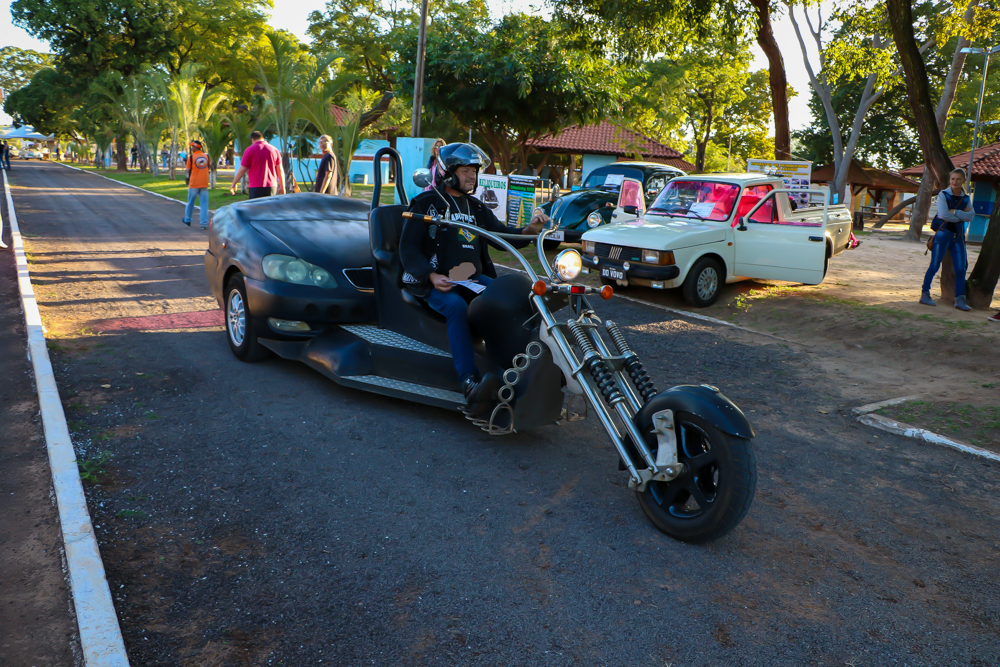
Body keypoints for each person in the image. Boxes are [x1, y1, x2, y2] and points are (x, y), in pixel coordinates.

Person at [399, 143, 549, 411]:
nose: (472, 176)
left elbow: (503, 239)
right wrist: (431, 276)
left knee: (513, 300)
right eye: (466, 170)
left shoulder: (476, 208)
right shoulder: (426, 203)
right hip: (430, 281)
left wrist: (530, 229)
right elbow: (408, 249)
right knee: (456, 306)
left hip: (471, 280)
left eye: (474, 171)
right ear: (447, 172)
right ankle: (468, 382)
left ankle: (521, 369)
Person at [921, 168, 975, 311]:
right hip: (943, 234)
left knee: (960, 269)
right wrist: (961, 216)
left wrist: (955, 212)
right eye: (952, 179)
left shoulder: (966, 198)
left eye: (958, 179)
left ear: (963, 181)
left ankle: (960, 299)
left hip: (958, 237)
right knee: (934, 265)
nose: (954, 182)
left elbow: (971, 216)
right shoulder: (943, 195)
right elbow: (944, 215)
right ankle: (925, 294)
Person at [229, 131, 284, 199]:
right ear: (262, 138)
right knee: (269, 209)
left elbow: (242, 170)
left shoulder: (249, 150)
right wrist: (282, 186)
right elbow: (280, 170)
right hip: (271, 186)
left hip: (255, 187)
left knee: (255, 209)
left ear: (252, 139)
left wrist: (234, 183)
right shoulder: (275, 150)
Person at [183, 141, 211, 229]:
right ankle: (204, 224)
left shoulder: (191, 158)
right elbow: (208, 167)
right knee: (204, 204)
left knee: (190, 202)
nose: (191, 148)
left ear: (196, 147)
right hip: (204, 183)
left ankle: (188, 220)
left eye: (192, 147)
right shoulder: (207, 157)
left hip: (194, 183)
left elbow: (188, 170)